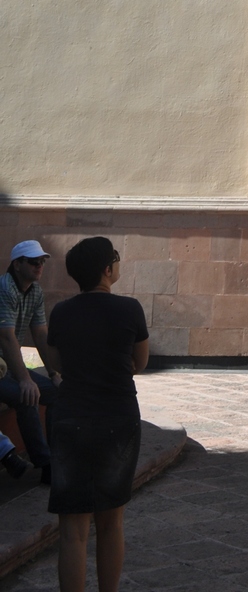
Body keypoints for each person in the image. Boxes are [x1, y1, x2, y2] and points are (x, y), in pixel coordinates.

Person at [46, 238, 149, 592]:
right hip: (117, 418)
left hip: (71, 415)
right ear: (108, 269)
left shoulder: (61, 312)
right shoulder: (130, 309)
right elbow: (141, 362)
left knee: (72, 531)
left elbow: (57, 364)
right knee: (111, 522)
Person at [0, 238, 59, 480]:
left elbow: (41, 334)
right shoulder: (5, 289)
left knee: (57, 393)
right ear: (17, 264)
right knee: (27, 396)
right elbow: (6, 338)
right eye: (33, 262)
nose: (39, 266)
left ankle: (58, 457)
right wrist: (25, 379)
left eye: (42, 261)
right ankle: (46, 465)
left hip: (9, 365)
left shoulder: (35, 291)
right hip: (3, 367)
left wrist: (55, 373)